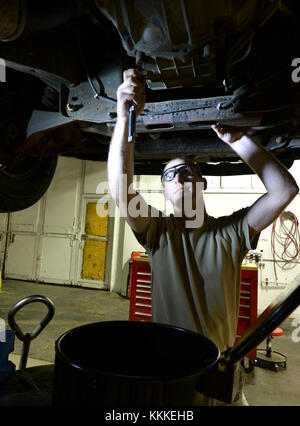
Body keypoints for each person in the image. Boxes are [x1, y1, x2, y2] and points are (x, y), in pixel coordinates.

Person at [107, 69, 299, 405]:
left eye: (188, 171)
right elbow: (121, 189)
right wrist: (125, 117)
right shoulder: (157, 231)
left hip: (219, 373)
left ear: (203, 183)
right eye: (171, 174)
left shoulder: (232, 232)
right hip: (168, 374)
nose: (180, 176)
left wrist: (240, 141)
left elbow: (285, 190)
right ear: (165, 191)